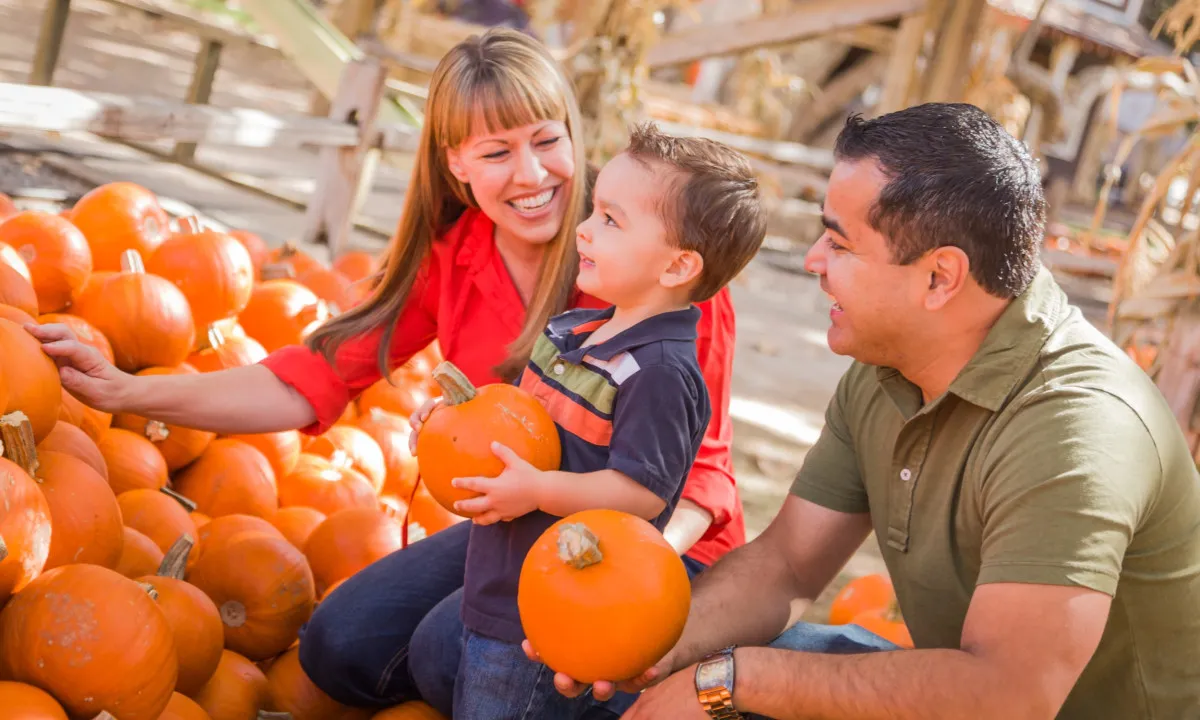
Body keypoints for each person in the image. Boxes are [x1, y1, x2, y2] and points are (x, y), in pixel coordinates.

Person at [25, 27, 746, 711]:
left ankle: (645, 699)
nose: (532, 175)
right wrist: (127, 389)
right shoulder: (456, 256)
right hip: (520, 517)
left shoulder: (655, 272)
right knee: (339, 646)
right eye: (496, 153)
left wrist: (626, 602)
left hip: (650, 544)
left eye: (546, 141)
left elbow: (700, 478)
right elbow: (307, 378)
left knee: (447, 651)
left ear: (572, 135)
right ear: (455, 164)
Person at [534, 103, 1200, 719]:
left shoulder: (1076, 430)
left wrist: (731, 681)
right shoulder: (889, 364)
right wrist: (644, 643)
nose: (814, 261)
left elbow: (1009, 695)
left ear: (940, 277)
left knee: (757, 676)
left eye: (840, 244)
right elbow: (788, 563)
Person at [403, 122, 766, 720]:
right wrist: (453, 419)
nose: (582, 230)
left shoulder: (657, 374)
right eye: (594, 212)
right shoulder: (574, 331)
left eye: (610, 221)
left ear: (677, 267)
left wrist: (539, 489)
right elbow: (523, 423)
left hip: (556, 606)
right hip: (504, 574)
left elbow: (641, 495)